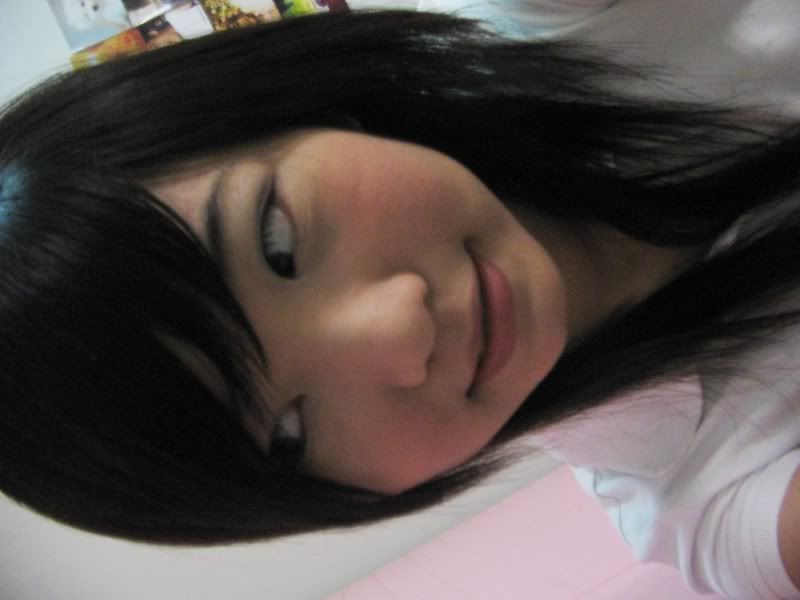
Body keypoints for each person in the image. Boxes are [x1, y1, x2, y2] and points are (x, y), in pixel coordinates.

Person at [0, 7, 797, 599]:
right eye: (289, 433)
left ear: (291, 110)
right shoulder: (716, 509)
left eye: (278, 244)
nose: (399, 331)